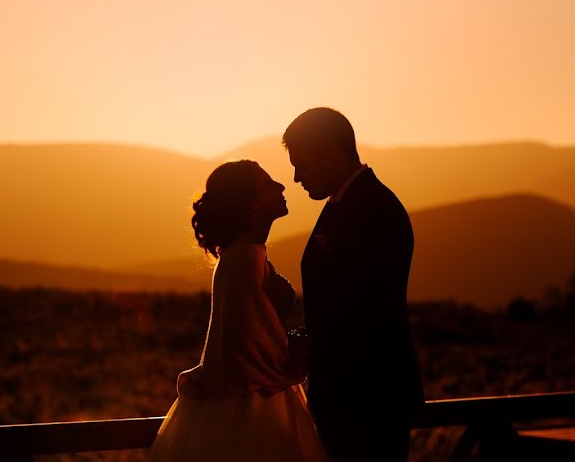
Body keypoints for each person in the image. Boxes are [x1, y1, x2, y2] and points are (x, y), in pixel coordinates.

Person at [150, 160, 328, 462]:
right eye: (269, 183)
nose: (282, 186)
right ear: (251, 206)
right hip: (253, 405)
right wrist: (295, 359)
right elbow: (244, 345)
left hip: (257, 395)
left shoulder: (249, 252)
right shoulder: (243, 258)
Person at [284, 107, 425, 462]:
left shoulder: (375, 209)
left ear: (331, 155)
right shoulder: (345, 202)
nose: (297, 178)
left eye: (302, 165)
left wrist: (313, 344)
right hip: (348, 394)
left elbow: (366, 308)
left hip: (369, 396)